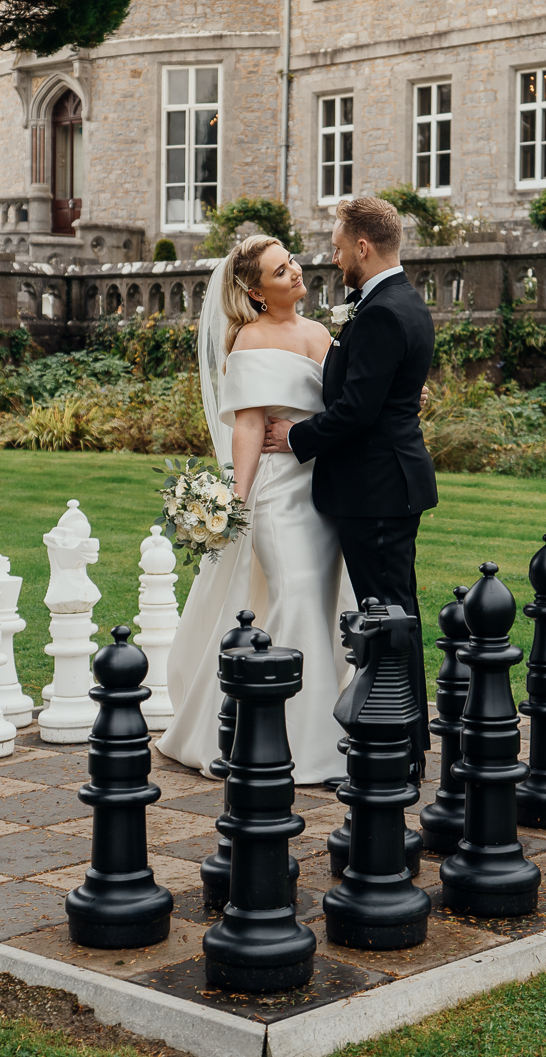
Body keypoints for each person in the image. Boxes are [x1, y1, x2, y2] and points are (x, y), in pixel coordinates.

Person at [156, 233, 356, 783]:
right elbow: (248, 425)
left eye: (291, 261)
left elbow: (348, 405)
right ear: (256, 291)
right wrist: (236, 503)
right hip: (276, 492)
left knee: (318, 600)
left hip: (324, 491)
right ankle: (302, 745)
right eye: (279, 271)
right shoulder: (248, 341)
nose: (295, 272)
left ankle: (311, 725)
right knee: (292, 592)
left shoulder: (320, 332)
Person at [260, 195, 437, 622]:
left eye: (338, 247)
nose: (333, 258)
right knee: (395, 611)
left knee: (385, 617)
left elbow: (357, 410)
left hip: (375, 489)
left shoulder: (381, 312)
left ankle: (394, 693)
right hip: (387, 485)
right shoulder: (404, 300)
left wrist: (293, 436)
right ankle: (400, 692)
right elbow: (378, 388)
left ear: (363, 248)